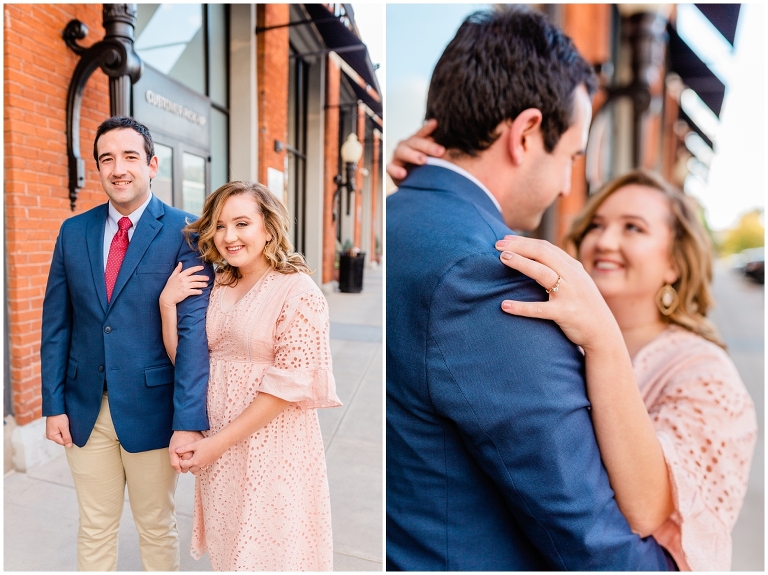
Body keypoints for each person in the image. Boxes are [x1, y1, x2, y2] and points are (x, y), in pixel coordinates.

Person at [386, 6, 674, 571]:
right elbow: (587, 535)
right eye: (570, 154)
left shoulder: (395, 216)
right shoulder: (490, 270)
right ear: (526, 133)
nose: (568, 180)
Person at [492, 171, 757, 570]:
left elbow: (647, 509)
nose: (605, 241)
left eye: (633, 227)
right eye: (596, 225)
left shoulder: (706, 373)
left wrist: (603, 339)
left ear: (674, 263)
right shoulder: (557, 330)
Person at [41, 116, 212, 571]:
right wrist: (52, 404)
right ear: (98, 168)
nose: (118, 168)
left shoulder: (185, 232)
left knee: (156, 525)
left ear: (152, 165)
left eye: (130, 157)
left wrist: (190, 419)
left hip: (153, 411)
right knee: (94, 525)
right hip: (84, 410)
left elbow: (195, 337)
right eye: (107, 158)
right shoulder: (72, 232)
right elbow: (56, 325)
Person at [158, 181, 342, 571]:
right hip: (221, 447)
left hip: (272, 445)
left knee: (270, 552)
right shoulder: (217, 283)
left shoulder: (299, 292)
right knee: (230, 551)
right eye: (220, 226)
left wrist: (215, 445)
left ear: (268, 229)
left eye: (242, 223)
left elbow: (286, 387)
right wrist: (167, 305)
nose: (229, 237)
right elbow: (187, 361)